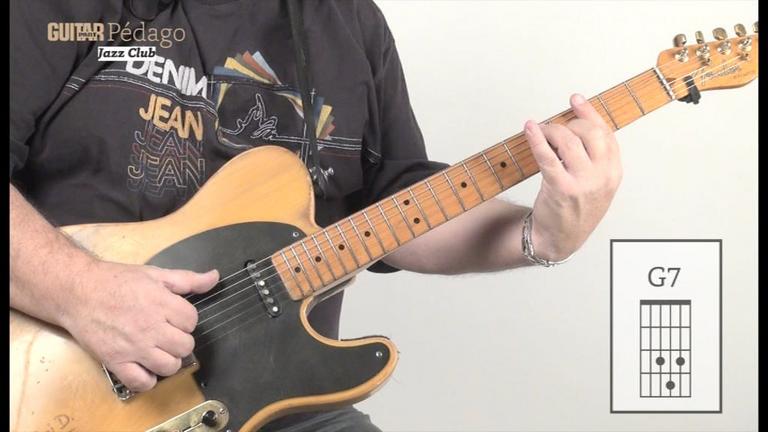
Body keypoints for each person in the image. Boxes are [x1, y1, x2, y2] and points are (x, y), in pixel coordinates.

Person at [9, 1, 622, 430]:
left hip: (278, 399)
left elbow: (394, 208)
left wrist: (540, 235)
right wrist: (82, 292)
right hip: (55, 378)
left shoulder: (350, 23)